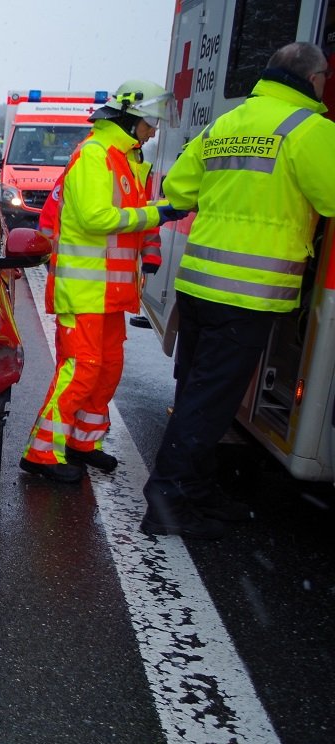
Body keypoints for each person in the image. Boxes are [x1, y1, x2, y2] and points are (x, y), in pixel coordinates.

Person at [141, 42, 335, 538]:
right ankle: (167, 503)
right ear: (314, 79)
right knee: (209, 403)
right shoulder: (310, 130)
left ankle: (195, 489)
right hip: (247, 294)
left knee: (197, 393)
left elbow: (179, 190)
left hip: (199, 284)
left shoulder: (225, 124)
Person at [20, 79, 182, 483]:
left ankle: (82, 442)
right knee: (82, 369)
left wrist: (151, 247)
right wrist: (157, 214)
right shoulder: (94, 155)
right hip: (84, 291)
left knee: (107, 369)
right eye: (149, 123)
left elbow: (135, 214)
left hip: (110, 292)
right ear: (129, 118)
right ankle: (42, 453)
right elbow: (97, 218)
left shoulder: (126, 159)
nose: (153, 132)